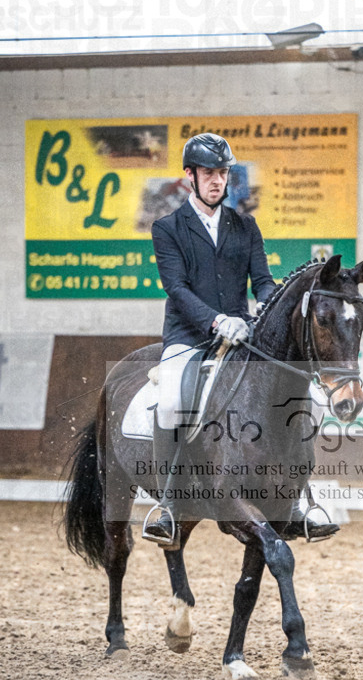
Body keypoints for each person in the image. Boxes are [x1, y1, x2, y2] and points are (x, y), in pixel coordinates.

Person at [143, 132, 336, 546]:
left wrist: (272, 316)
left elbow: (264, 283)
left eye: (223, 173)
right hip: (190, 336)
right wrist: (215, 321)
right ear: (190, 176)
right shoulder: (168, 227)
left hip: (243, 335)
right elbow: (176, 288)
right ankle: (169, 506)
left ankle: (299, 500)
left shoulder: (245, 225)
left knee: (312, 403)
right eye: (209, 173)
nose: (217, 181)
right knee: (174, 398)